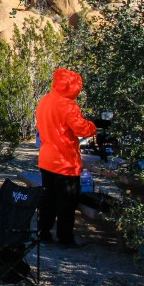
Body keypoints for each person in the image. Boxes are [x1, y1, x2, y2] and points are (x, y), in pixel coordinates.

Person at [36, 68, 97, 248]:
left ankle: (43, 232)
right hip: (65, 162)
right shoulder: (68, 105)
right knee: (67, 202)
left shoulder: (45, 100)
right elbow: (80, 129)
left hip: (46, 159)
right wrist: (93, 126)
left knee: (48, 198)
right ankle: (65, 238)